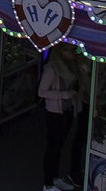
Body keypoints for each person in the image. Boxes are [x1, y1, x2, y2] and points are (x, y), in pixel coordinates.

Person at [39, 44, 86, 191]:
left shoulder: (71, 66)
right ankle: (48, 184)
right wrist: (64, 95)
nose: (74, 53)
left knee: (59, 147)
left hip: (67, 111)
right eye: (71, 50)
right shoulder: (52, 69)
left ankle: (55, 177)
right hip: (54, 114)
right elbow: (41, 92)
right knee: (53, 147)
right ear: (61, 52)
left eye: (75, 50)